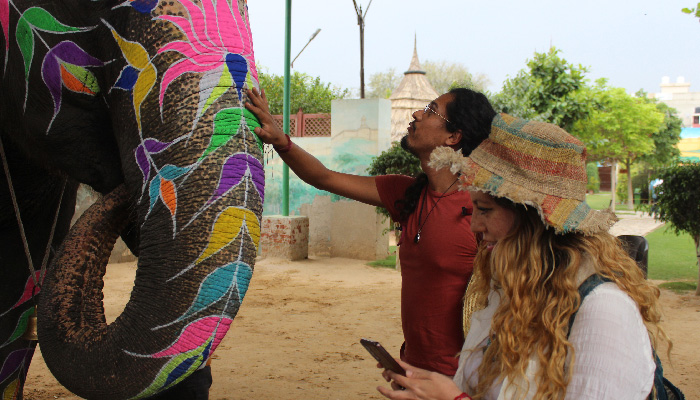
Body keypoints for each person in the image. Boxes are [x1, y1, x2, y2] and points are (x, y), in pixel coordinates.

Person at [376, 113, 670, 399]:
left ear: (533, 218)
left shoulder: (603, 311)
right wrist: (436, 387)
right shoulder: (512, 289)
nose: (475, 225)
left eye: (485, 210)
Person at [245, 87, 497, 376]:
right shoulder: (406, 194)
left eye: (429, 110)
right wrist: (280, 140)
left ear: (453, 137)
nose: (416, 114)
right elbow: (324, 177)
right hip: (413, 372)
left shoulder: (481, 209)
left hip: (462, 378)